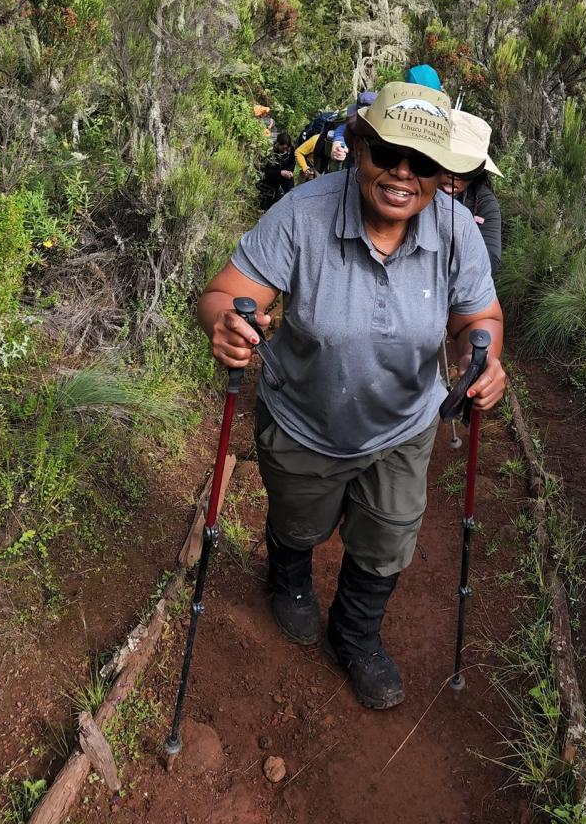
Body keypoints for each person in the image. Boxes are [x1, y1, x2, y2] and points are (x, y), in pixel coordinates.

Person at [195, 81, 506, 710]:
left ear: (442, 172)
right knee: (297, 522)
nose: (401, 173)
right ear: (357, 148)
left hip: (402, 426)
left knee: (389, 537)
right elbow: (222, 295)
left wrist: (486, 358)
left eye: (422, 164)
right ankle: (290, 583)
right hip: (304, 419)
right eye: (387, 152)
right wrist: (228, 324)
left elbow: (483, 319)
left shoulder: (456, 232)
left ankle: (356, 634)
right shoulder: (303, 215)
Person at [438, 111, 503, 277]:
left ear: (477, 173)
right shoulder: (412, 189)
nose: (452, 174)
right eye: (447, 162)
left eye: (464, 168)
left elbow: (490, 261)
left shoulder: (483, 202)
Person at [257, 132, 295, 210]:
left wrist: (290, 171)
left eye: (286, 148)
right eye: (283, 148)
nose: (285, 151)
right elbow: (265, 172)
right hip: (272, 176)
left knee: (290, 188)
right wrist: (280, 173)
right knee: (269, 202)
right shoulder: (270, 152)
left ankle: (290, 205)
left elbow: (292, 162)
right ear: (278, 144)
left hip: (285, 175)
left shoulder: (290, 149)